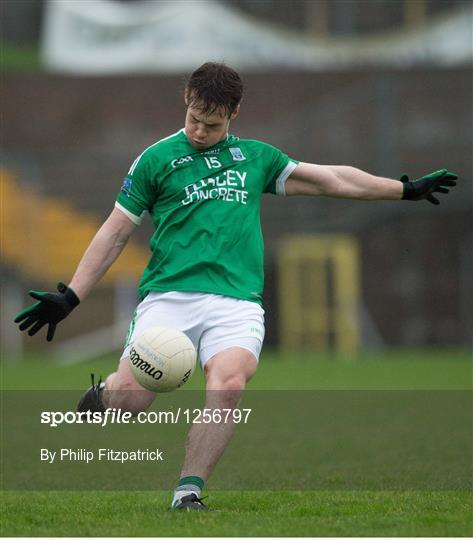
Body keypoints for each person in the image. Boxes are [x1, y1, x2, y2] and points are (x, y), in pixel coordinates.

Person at [14, 62, 457, 511]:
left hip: (236, 302)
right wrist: (71, 295)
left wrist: (403, 190)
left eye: (212, 124)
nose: (200, 131)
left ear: (235, 112)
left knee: (228, 387)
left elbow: (330, 178)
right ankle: (105, 395)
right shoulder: (156, 159)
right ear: (185, 99)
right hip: (169, 297)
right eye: (193, 120)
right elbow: (115, 232)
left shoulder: (257, 159)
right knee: (133, 400)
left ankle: (187, 492)